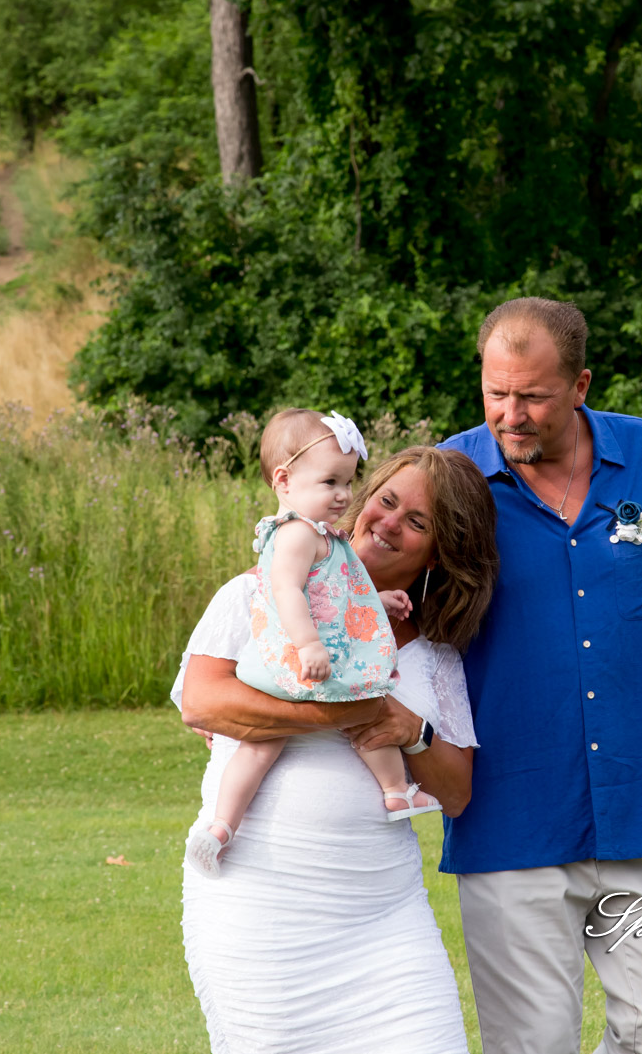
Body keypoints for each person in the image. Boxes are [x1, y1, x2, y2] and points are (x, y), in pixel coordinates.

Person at [438, 297, 642, 1054]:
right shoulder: (449, 478)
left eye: (533, 396)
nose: (511, 414)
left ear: (580, 385)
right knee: (533, 1045)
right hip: (511, 811)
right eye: (496, 393)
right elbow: (371, 590)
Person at [174, 445, 500, 1054]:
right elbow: (203, 704)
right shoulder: (262, 593)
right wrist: (357, 709)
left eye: (418, 522)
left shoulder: (434, 655)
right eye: (386, 500)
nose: (388, 522)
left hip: (384, 917)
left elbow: (455, 792)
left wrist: (411, 731)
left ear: (441, 552)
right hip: (260, 908)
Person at [186, 411, 439, 880]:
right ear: (284, 480)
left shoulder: (322, 535)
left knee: (262, 745)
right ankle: (395, 789)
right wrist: (308, 645)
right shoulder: (296, 533)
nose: (343, 494)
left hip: (306, 656)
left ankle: (222, 826)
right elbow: (286, 590)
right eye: (330, 482)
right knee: (364, 705)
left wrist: (376, 600)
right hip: (301, 657)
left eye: (348, 481)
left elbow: (338, 592)